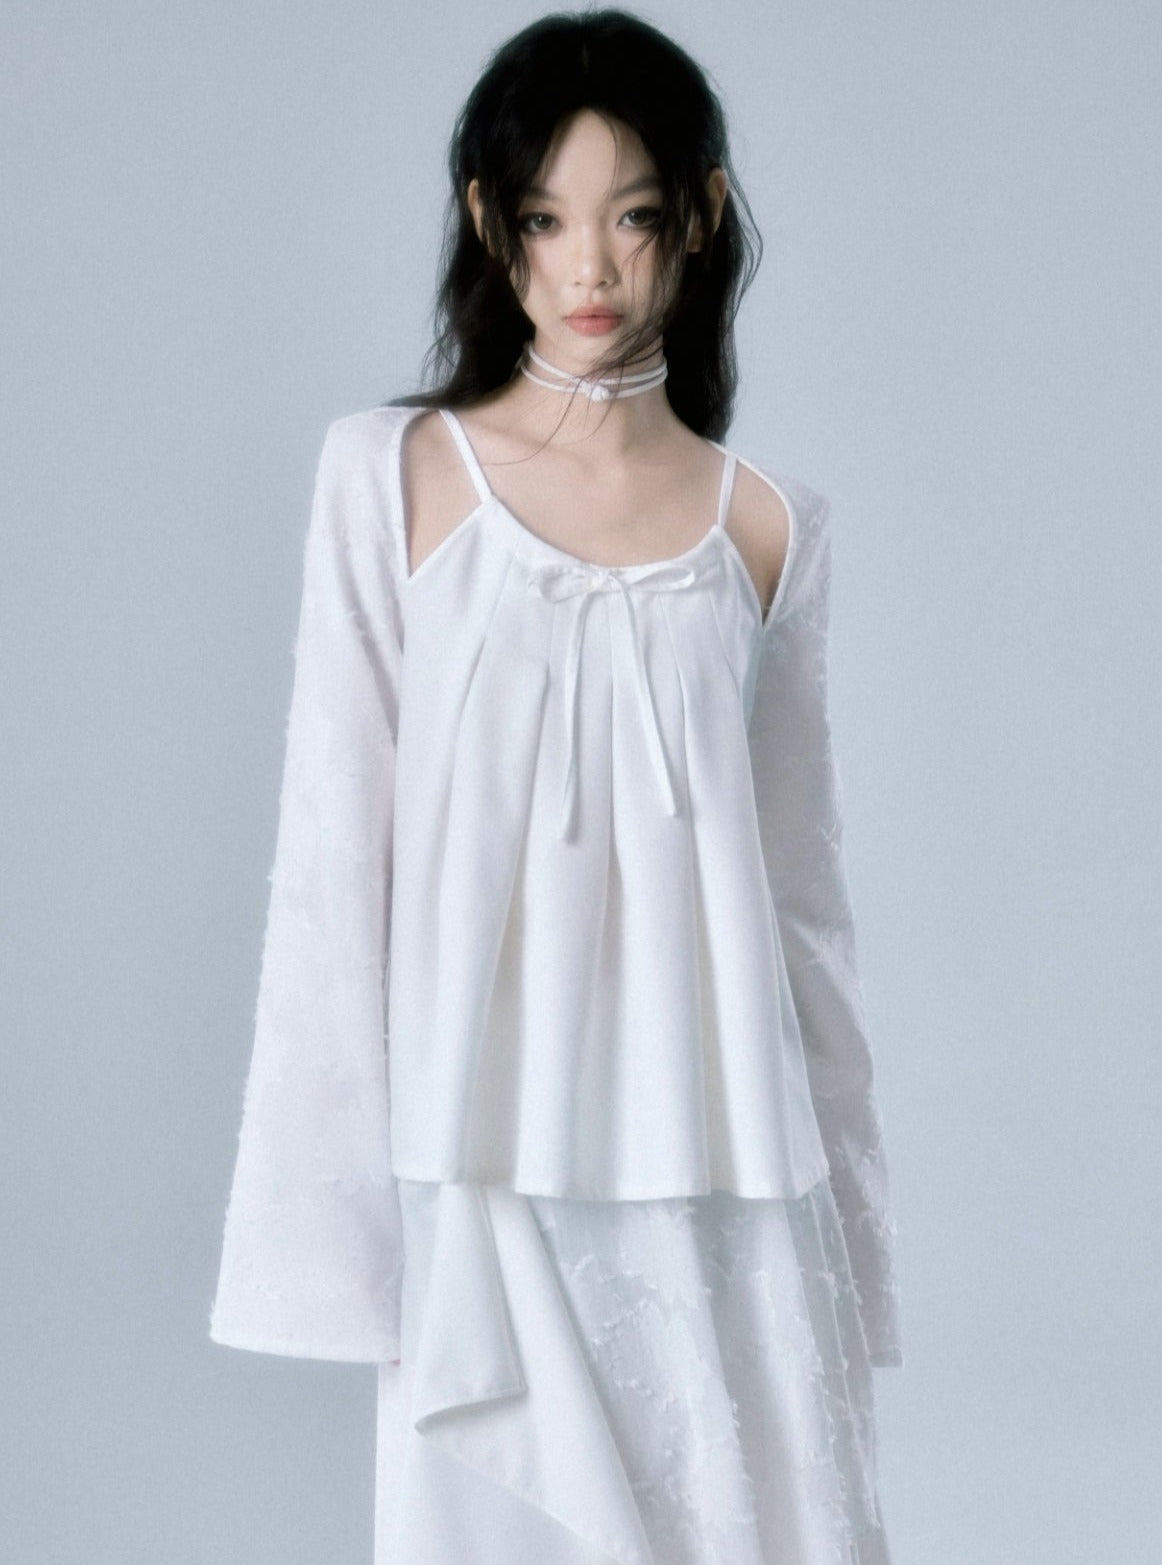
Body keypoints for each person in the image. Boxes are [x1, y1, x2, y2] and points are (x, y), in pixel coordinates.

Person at [209, 9, 904, 1563]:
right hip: (479, 1157)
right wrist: (340, 1232)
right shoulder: (390, 476)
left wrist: (853, 1248)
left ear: (699, 217)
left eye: (631, 217)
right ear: (487, 221)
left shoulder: (769, 525)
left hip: (726, 1168)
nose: (588, 267)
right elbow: (331, 858)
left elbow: (804, 907)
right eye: (543, 219)